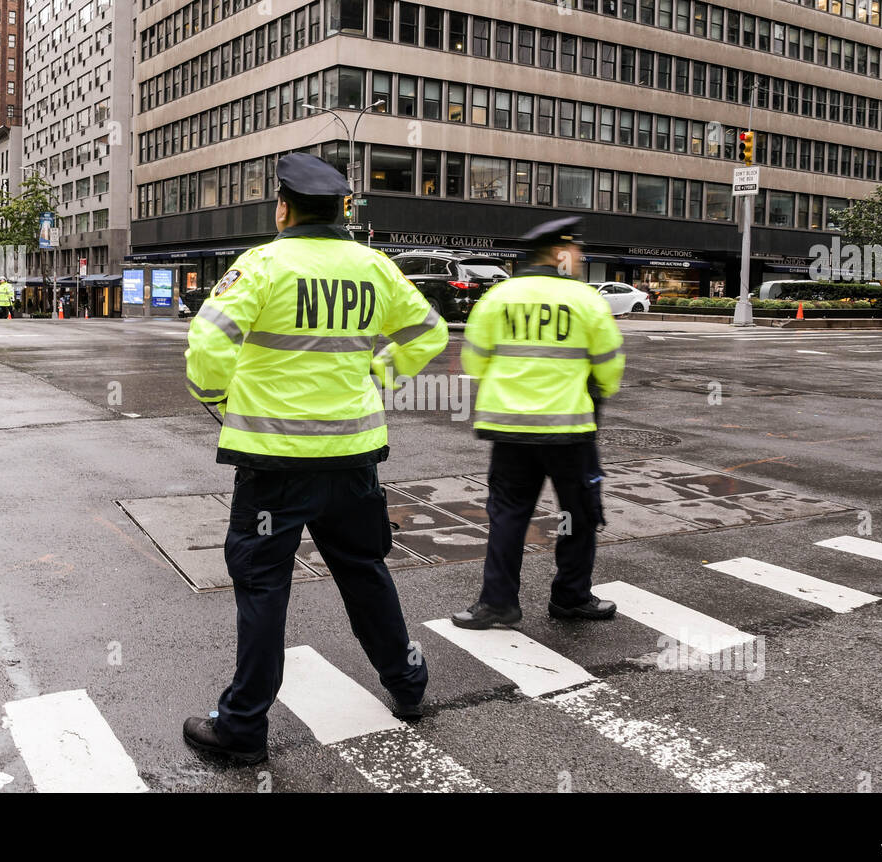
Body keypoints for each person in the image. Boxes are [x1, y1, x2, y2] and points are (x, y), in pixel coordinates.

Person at [182, 153, 449, 763]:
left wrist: (216, 395)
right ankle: (407, 684)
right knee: (364, 571)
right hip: (353, 458)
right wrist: (381, 371)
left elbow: (209, 341)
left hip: (274, 463)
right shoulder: (373, 266)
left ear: (283, 207)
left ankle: (243, 727)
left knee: (264, 588)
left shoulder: (264, 263)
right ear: (342, 210)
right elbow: (429, 332)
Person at [451, 217, 626, 629]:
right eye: (577, 250)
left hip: (509, 429)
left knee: (508, 515)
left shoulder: (499, 297)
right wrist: (594, 388)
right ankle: (570, 597)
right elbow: (610, 367)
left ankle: (497, 604)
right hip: (568, 430)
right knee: (578, 516)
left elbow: (474, 360)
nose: (580, 257)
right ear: (558, 253)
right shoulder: (585, 300)